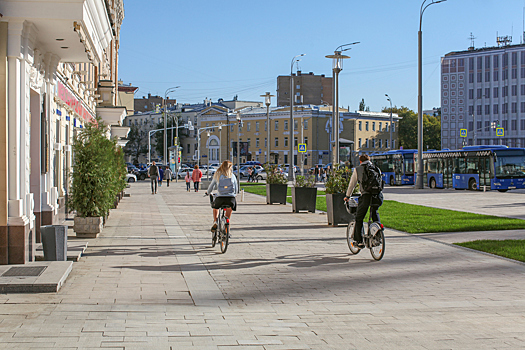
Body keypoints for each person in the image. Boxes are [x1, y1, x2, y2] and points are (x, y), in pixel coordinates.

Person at [344, 154, 384, 248]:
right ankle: (378, 236)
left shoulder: (358, 169)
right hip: (378, 197)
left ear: (360, 161)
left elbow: (352, 185)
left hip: (366, 196)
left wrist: (347, 196)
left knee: (359, 217)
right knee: (374, 212)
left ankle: (359, 241)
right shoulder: (376, 168)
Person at [205, 160, 238, 234]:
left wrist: (208, 192)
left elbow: (211, 186)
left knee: (215, 207)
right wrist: (234, 194)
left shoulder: (218, 174)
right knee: (228, 214)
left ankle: (215, 221)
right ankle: (227, 230)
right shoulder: (232, 175)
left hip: (220, 198)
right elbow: (236, 188)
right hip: (230, 198)